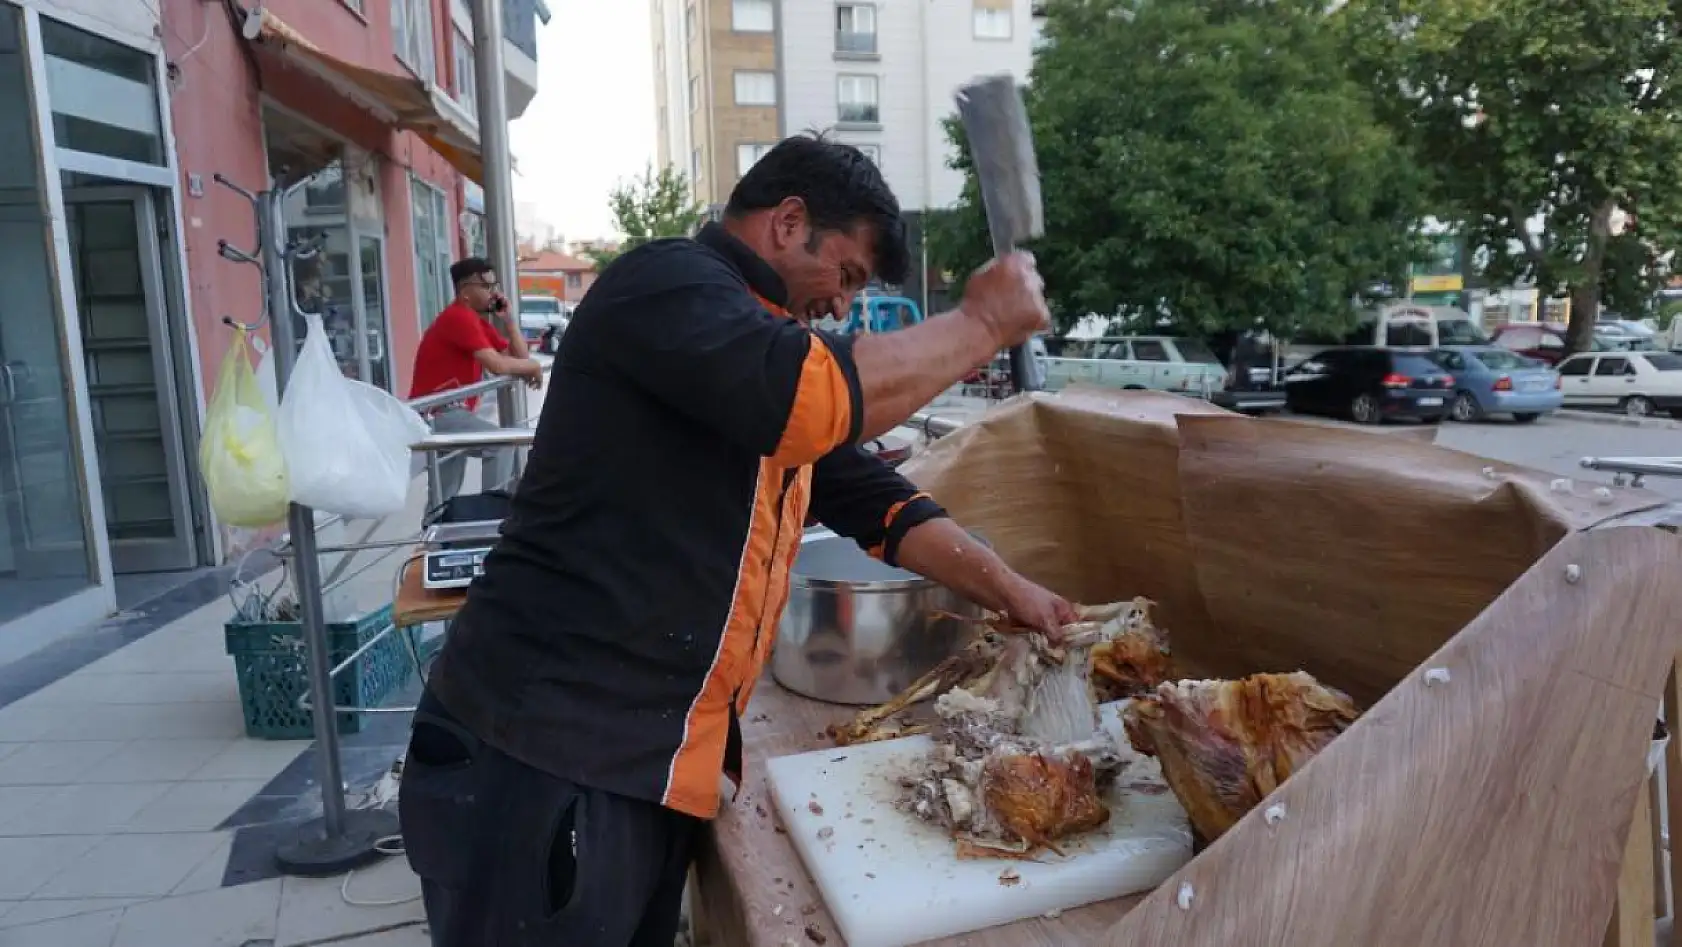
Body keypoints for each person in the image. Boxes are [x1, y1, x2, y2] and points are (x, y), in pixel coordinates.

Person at [398, 134, 1071, 947]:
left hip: (639, 769)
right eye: (847, 276)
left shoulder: (747, 353)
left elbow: (877, 501)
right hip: (540, 760)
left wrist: (1013, 591)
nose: (843, 307)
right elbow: (804, 396)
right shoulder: (667, 285)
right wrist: (983, 322)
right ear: (789, 222)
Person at [409, 258, 544, 501]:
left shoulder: (476, 322)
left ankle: (437, 537)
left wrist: (509, 321)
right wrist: (532, 366)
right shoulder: (458, 318)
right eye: (487, 287)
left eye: (494, 287)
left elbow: (517, 357)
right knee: (501, 444)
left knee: (445, 492)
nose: (494, 294)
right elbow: (499, 365)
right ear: (465, 291)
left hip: (447, 413)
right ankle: (491, 514)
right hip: (439, 413)